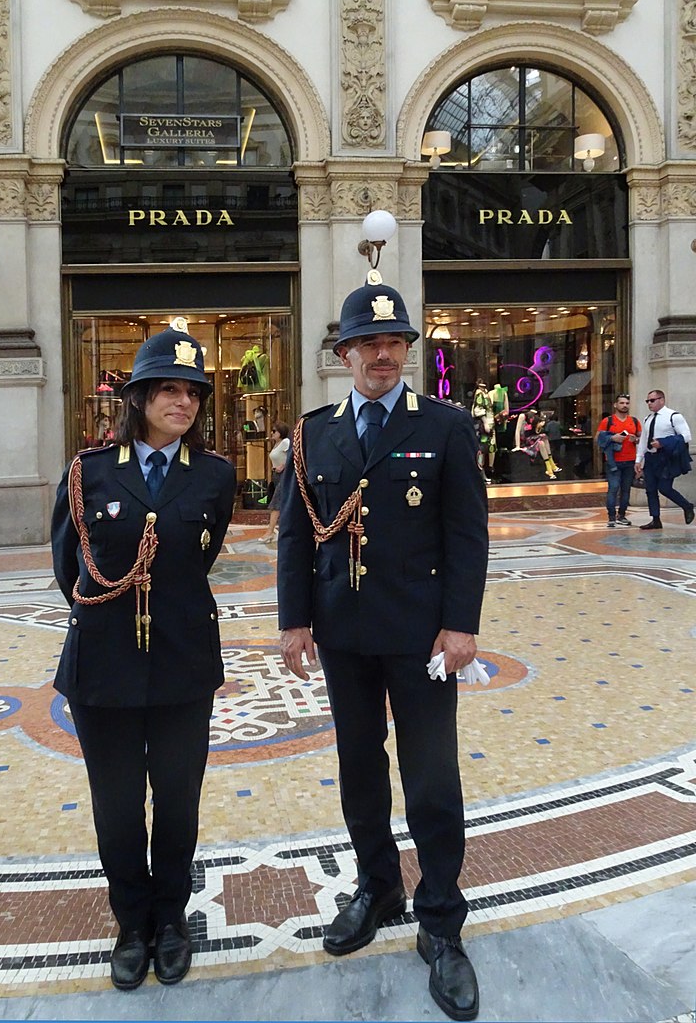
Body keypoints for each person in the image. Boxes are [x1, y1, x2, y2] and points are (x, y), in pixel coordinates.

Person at [277, 276, 488, 1021]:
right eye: (369, 342)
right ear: (344, 352)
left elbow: (467, 535)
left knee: (432, 778)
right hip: (344, 635)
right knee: (359, 768)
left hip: (421, 636)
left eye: (395, 341)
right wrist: (294, 620)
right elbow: (296, 536)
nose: (384, 353)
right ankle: (377, 885)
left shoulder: (445, 427)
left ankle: (440, 922)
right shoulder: (313, 433)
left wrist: (462, 626)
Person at [51, 320, 235, 991]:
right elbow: (67, 564)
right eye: (167, 390)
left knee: (179, 801)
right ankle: (131, 923)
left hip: (184, 663)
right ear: (139, 398)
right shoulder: (89, 471)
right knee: (119, 804)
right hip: (103, 666)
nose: (182, 403)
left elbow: (198, 561)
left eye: (192, 392)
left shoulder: (214, 475)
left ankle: (170, 919)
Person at [634, 389, 694, 530]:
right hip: (650, 457)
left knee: (665, 488)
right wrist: (638, 459)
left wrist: (663, 442)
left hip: (666, 458)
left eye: (652, 400)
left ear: (662, 400)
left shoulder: (674, 416)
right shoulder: (648, 418)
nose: (649, 403)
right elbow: (643, 440)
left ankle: (687, 506)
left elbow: (686, 436)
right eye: (647, 401)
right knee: (650, 489)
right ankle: (655, 519)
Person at [595, 394, 642, 527]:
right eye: (621, 403)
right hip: (613, 461)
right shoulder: (607, 421)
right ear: (616, 405)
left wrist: (636, 440)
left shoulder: (634, 421)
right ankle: (611, 516)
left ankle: (622, 515)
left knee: (626, 489)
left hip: (630, 460)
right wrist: (612, 438)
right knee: (614, 488)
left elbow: (642, 439)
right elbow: (597, 439)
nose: (624, 405)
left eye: (627, 403)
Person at [258, 421, 290, 543]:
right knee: (281, 503)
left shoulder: (285, 442)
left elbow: (293, 456)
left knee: (276, 503)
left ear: (280, 432)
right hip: (276, 475)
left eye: (274, 431)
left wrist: (284, 466)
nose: (272, 433)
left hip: (284, 475)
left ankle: (270, 531)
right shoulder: (276, 445)